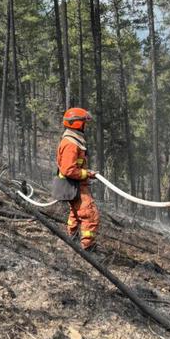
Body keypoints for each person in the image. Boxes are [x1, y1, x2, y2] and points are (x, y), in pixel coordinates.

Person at [56, 107, 100, 251]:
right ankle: (87, 249)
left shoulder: (73, 140)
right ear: (76, 123)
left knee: (75, 214)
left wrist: (87, 174)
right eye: (84, 122)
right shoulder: (71, 144)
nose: (85, 125)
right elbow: (68, 169)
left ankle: (71, 241)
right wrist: (86, 174)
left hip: (74, 185)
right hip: (74, 185)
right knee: (90, 215)